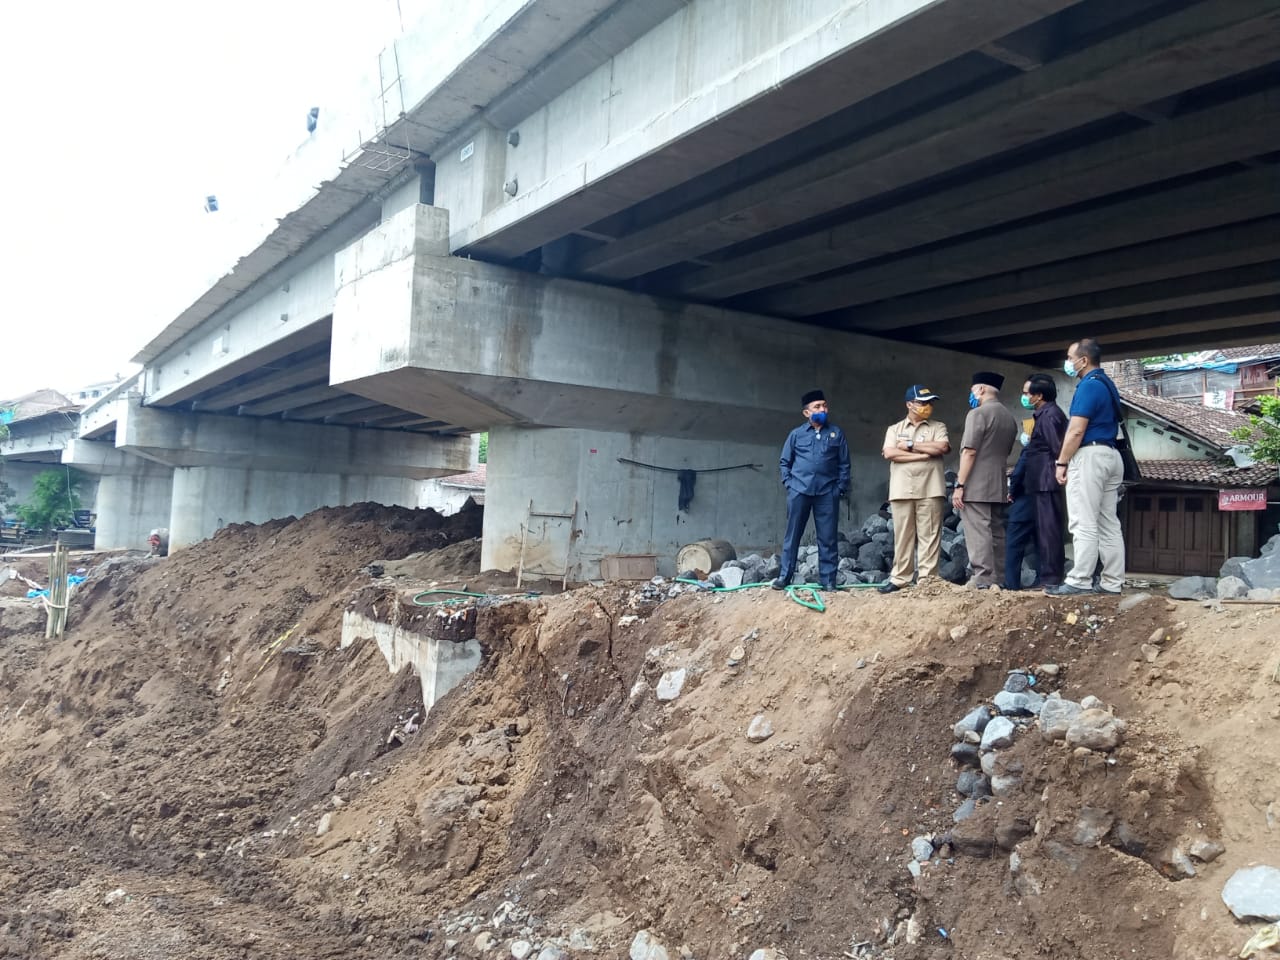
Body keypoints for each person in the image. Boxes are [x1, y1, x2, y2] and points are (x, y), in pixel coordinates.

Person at [1048, 339, 1125, 595]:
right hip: (1112, 454)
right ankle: (1112, 582)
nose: (1068, 362)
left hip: (1090, 456)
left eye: (1070, 357)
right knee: (1108, 522)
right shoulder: (1108, 385)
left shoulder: (1088, 387)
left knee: (1083, 521)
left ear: (1083, 360)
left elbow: (1076, 429)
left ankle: (1079, 579)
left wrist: (1062, 462)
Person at [775, 389, 851, 591]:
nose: (822, 409)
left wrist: (839, 488)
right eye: (817, 406)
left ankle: (828, 581)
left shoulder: (836, 433)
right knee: (793, 536)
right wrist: (789, 484)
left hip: (827, 492)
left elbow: (844, 464)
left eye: (824, 405)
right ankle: (785, 577)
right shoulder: (796, 434)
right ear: (806, 413)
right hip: (799, 490)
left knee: (827, 538)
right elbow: (785, 462)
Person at [879, 385, 951, 594]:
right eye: (922, 402)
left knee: (929, 536)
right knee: (902, 536)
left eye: (929, 403)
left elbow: (942, 448)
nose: (927, 406)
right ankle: (900, 578)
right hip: (901, 490)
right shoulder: (894, 429)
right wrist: (923, 454)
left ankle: (927, 580)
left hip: (930, 488)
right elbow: (890, 453)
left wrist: (909, 446)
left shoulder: (938, 427)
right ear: (909, 404)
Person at [952, 371, 1019, 589]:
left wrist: (960, 484)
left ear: (980, 389)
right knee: (997, 531)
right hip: (998, 482)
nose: (971, 394)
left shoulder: (977, 414)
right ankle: (998, 578)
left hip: (977, 483)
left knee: (978, 530)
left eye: (973, 390)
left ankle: (982, 577)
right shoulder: (1009, 418)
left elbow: (969, 451)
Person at [1021, 373, 1069, 588]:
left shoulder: (1049, 416)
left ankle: (1050, 578)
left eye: (1026, 393)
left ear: (1038, 395)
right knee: (1045, 530)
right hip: (1042, 481)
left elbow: (1058, 449)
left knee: (1049, 530)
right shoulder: (1045, 414)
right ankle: (1048, 575)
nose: (1023, 397)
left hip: (1047, 481)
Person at [1004, 444, 1038, 590]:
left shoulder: (1032, 447)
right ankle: (1045, 580)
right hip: (1044, 505)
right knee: (1042, 544)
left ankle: (1011, 585)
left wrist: (1012, 491)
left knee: (1013, 546)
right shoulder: (1053, 446)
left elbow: (1019, 473)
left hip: (1024, 503)